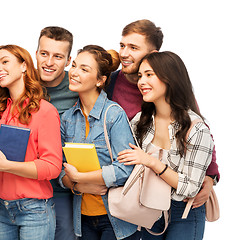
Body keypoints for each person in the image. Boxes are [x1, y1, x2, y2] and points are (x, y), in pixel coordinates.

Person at [105, 19, 219, 209]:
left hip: (177, 191)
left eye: (133, 47)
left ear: (153, 55)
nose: (124, 54)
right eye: (122, 46)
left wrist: (209, 175)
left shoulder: (172, 89)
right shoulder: (112, 82)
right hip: (136, 192)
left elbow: (199, 132)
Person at [118, 51, 214, 239]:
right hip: (148, 207)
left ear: (170, 78)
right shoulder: (140, 121)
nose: (141, 82)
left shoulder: (197, 129)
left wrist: (151, 162)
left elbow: (191, 188)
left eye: (149, 75)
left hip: (185, 211)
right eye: (140, 76)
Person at [59, 45, 140, 240]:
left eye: (84, 69)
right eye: (75, 66)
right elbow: (60, 171)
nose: (75, 73)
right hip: (83, 219)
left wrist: (81, 177)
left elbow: (126, 170)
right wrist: (78, 186)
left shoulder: (113, 114)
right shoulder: (67, 119)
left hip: (115, 220)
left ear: (100, 80)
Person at [0, 44, 62, 240]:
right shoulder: (0, 110)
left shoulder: (44, 111)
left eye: (5, 62)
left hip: (34, 209)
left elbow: (53, 167)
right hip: (3, 208)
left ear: (23, 66)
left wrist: (6, 166)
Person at [35, 26, 78, 240]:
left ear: (69, 60)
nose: (49, 62)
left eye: (58, 56)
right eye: (44, 54)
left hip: (63, 189)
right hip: (27, 186)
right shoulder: (23, 83)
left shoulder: (79, 86)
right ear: (36, 53)